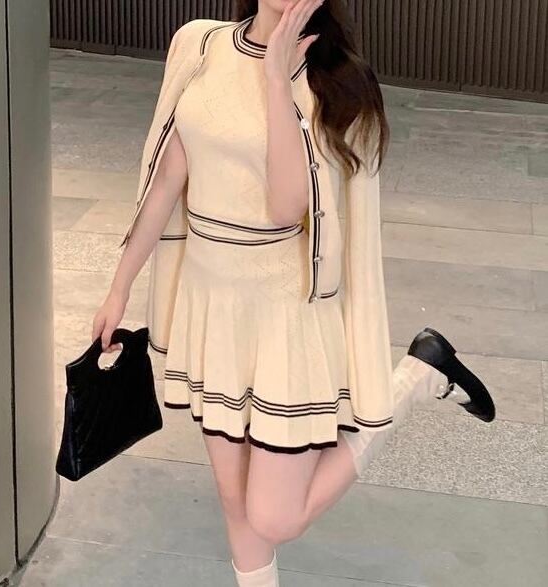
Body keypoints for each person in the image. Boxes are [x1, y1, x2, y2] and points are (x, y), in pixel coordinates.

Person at [92, 2, 496, 585]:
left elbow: (286, 208)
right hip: (214, 311)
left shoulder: (332, 82)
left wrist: (276, 81)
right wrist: (118, 289)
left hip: (285, 318)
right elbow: (166, 182)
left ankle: (416, 376)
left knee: (274, 517)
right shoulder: (200, 46)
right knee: (235, 503)